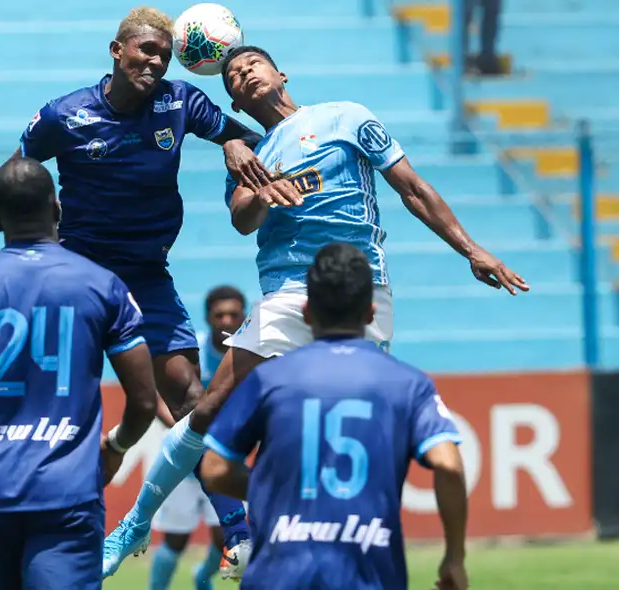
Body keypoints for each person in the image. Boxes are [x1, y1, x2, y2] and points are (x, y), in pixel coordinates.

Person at [0, 6, 267, 569]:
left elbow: (246, 131)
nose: (156, 61)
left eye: (165, 56)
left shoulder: (180, 101)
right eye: (146, 50)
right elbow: (6, 180)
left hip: (146, 278)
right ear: (116, 51)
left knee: (191, 397)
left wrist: (231, 141)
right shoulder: (66, 115)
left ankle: (237, 534)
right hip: (71, 275)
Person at [105, 43, 529, 576]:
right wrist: (262, 189)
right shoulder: (247, 151)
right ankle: (136, 522)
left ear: (281, 73)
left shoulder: (346, 117)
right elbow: (241, 219)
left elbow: (413, 188)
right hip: (288, 292)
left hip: (361, 290)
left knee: (346, 423)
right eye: (233, 75)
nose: (243, 74)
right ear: (232, 96)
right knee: (210, 407)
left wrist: (471, 249)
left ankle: (318, 546)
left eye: (252, 64)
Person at [0, 157, 158, 589]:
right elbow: (143, 400)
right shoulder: (102, 285)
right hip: (67, 490)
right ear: (57, 208)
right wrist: (116, 446)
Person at [199, 243, 469, 590]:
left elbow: (215, 469)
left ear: (307, 312)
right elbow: (449, 466)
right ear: (371, 312)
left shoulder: (268, 380)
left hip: (279, 575)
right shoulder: (409, 384)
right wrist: (454, 557)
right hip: (371, 575)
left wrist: (274, 494)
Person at [149, 285, 247, 590]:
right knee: (176, 540)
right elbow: (154, 394)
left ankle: (201, 580)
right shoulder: (194, 353)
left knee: (227, 539)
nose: (227, 320)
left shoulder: (248, 357)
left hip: (221, 463)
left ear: (244, 316)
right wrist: (182, 430)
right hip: (184, 462)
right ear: (208, 317)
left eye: (233, 313)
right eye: (220, 314)